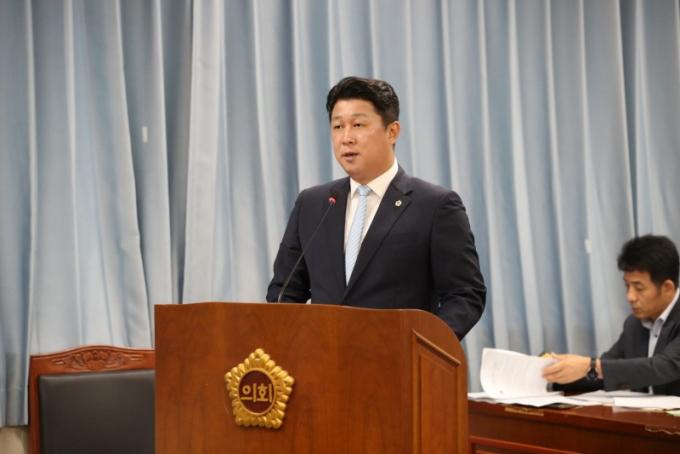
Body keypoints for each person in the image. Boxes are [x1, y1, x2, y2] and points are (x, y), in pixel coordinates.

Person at [266, 76, 486, 339]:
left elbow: (465, 295)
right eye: (338, 126)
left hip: (398, 358)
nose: (346, 138)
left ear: (392, 132)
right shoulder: (312, 204)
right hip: (321, 358)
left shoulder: (436, 206)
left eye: (358, 125)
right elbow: (284, 292)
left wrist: (423, 345)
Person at [543, 234, 680, 395]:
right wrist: (553, 374)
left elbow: (664, 366)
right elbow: (607, 371)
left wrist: (590, 366)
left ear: (667, 288)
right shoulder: (634, 324)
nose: (630, 296)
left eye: (639, 288)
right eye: (627, 286)